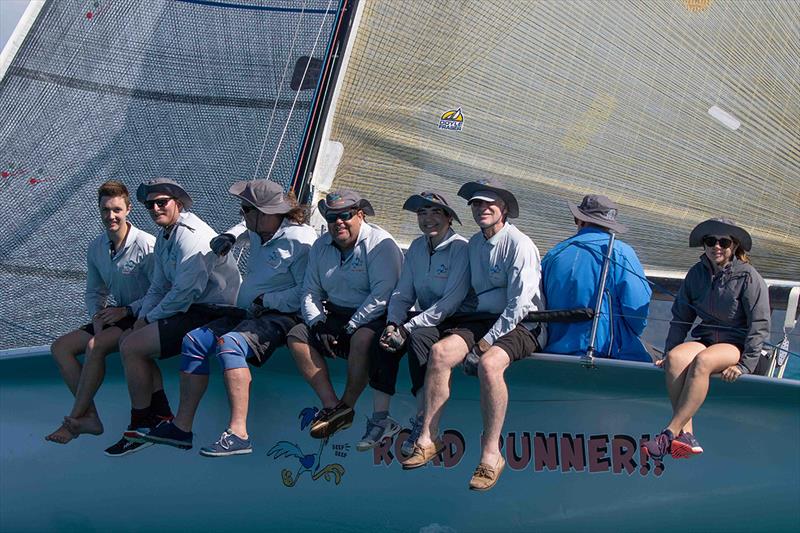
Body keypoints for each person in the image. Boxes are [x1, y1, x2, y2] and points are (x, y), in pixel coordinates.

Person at [142, 180, 316, 456]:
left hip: (282, 317)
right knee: (194, 342)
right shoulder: (258, 228)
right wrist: (230, 236)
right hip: (251, 314)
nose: (242, 215)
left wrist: (266, 301)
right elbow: (244, 230)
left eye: (246, 210)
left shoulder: (302, 241)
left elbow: (307, 292)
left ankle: (239, 433)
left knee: (230, 344)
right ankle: (182, 427)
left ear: (267, 212)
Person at [402, 179, 544, 492]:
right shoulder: (475, 244)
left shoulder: (519, 244)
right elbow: (469, 293)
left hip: (523, 324)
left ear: (504, 209)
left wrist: (485, 342)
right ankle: (428, 437)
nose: (482, 208)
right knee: (439, 353)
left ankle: (491, 455)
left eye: (488, 203)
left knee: (489, 364)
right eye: (476, 204)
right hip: (482, 319)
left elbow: (520, 305)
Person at [105, 178, 241, 457]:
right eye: (150, 204)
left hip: (213, 311)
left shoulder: (190, 235)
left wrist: (149, 318)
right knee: (132, 342)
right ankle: (158, 417)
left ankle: (142, 424)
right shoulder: (167, 235)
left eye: (161, 202)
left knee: (132, 346)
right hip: (192, 308)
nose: (155, 208)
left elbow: (183, 294)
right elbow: (158, 286)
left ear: (177, 203)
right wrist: (142, 318)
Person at [642, 218, 770, 460]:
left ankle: (669, 432)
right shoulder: (696, 274)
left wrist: (745, 365)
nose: (716, 246)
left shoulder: (748, 277)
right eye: (711, 241)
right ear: (704, 245)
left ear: (734, 246)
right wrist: (668, 353)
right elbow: (681, 317)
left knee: (702, 361)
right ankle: (686, 436)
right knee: (677, 358)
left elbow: (760, 323)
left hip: (735, 345)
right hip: (707, 338)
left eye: (724, 242)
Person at [360, 191, 474, 453]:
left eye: (435, 212)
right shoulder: (416, 247)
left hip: (455, 321)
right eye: (422, 213)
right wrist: (392, 324)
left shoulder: (461, 249)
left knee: (419, 340)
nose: (427, 219)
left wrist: (407, 328)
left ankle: (423, 424)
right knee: (382, 337)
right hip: (424, 319)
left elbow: (450, 303)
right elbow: (402, 294)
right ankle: (381, 420)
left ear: (449, 218)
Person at [287, 190, 403, 440]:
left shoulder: (381, 245)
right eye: (331, 218)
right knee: (297, 335)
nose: (338, 222)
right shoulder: (321, 246)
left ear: (360, 216)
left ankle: (346, 407)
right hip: (335, 315)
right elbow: (309, 292)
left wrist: (350, 327)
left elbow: (382, 296)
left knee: (362, 340)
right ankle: (332, 405)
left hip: (373, 317)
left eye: (345, 215)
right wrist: (317, 324)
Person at [46, 180, 154, 444]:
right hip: (114, 316)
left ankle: (73, 421)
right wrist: (97, 318)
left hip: (143, 315)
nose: (111, 216)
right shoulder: (96, 247)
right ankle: (90, 416)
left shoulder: (147, 245)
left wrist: (127, 309)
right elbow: (95, 292)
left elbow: (159, 293)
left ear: (128, 209)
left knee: (96, 346)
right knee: (60, 347)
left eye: (117, 209)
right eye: (105, 210)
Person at [541, 194, 652, 360]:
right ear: (610, 225)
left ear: (578, 219)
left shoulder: (554, 254)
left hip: (553, 353)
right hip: (610, 354)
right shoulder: (622, 252)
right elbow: (637, 312)